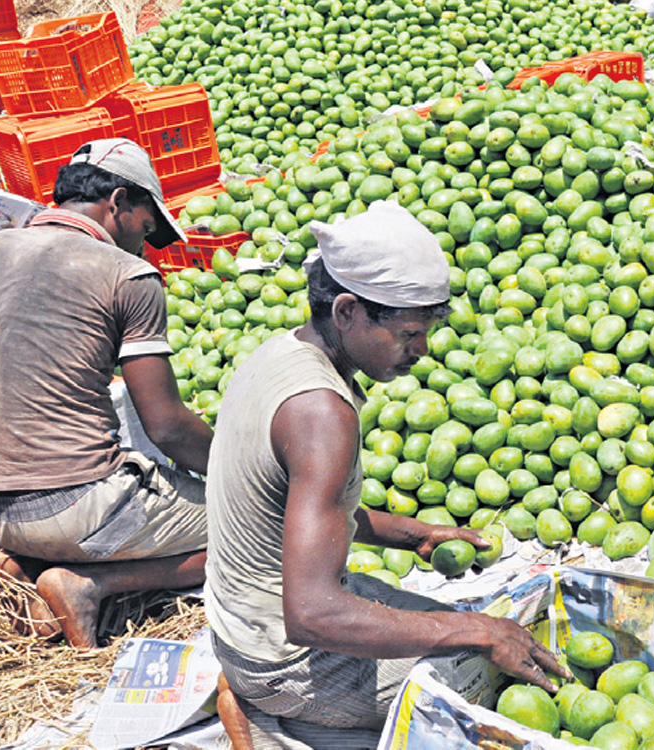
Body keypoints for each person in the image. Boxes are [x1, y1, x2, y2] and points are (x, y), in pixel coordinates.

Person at [205, 201, 568, 747]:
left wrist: (416, 534)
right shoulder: (321, 414)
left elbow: (294, 505)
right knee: (493, 675)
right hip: (277, 657)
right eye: (407, 335)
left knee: (464, 631)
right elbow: (312, 615)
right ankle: (269, 712)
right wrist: (480, 632)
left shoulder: (280, 353)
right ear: (347, 311)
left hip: (242, 622)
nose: (421, 351)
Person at [0, 138, 212, 649]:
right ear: (118, 202)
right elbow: (165, 426)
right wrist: (243, 467)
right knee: (265, 529)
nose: (144, 246)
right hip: (82, 503)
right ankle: (90, 584)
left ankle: (26, 562)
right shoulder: (128, 275)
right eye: (146, 228)